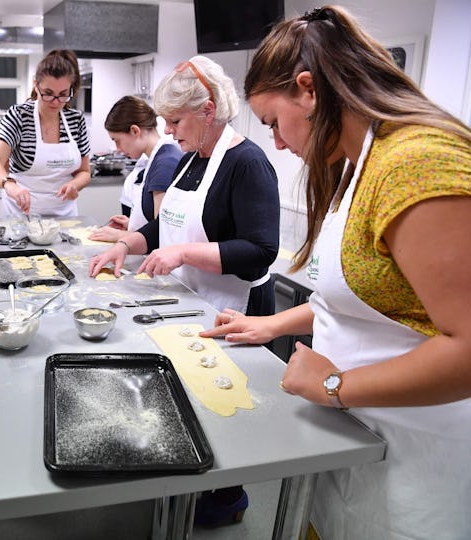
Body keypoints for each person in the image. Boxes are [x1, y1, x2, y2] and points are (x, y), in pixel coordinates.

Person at [201, 6, 471, 540]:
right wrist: (274, 325)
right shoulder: (357, 165)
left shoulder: (416, 163)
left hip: (419, 452)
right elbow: (369, 292)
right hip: (357, 431)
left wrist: (332, 384)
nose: (276, 142)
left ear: (308, 90)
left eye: (275, 122)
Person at [88, 56, 280, 527]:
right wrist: (128, 245)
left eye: (175, 121)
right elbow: (163, 227)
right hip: (192, 298)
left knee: (224, 402)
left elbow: (260, 250)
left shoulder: (247, 162)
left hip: (236, 307)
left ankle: (227, 497)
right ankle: (191, 481)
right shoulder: (192, 159)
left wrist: (186, 253)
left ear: (207, 110)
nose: (169, 131)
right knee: (189, 397)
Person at [0, 49, 91, 217]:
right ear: (36, 84)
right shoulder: (19, 116)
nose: (55, 102)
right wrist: (9, 185)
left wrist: (75, 184)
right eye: (48, 93)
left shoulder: (76, 120)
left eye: (63, 95)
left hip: (65, 215)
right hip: (21, 215)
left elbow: (84, 171)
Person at [88, 96, 183, 243]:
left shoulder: (165, 163)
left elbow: (163, 233)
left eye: (117, 141)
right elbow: (153, 221)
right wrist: (133, 225)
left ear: (134, 131)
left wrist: (120, 236)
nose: (118, 150)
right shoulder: (153, 158)